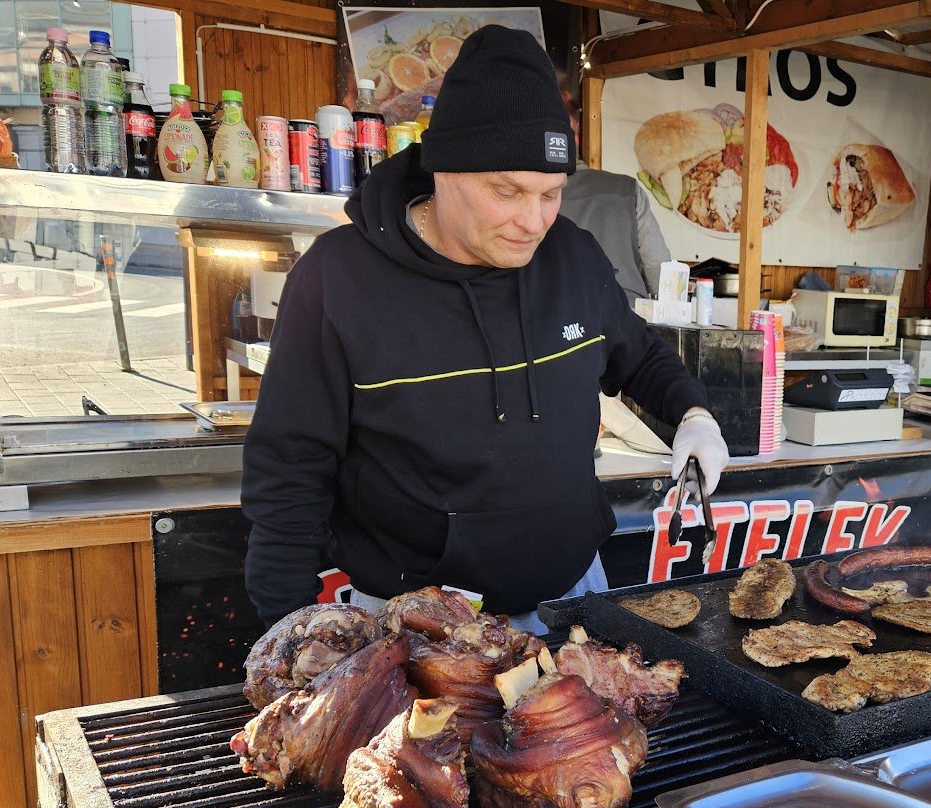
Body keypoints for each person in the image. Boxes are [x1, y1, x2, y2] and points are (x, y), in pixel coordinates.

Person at [241, 25, 728, 630]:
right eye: (508, 191)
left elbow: (639, 353)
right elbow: (290, 466)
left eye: (551, 194)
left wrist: (694, 413)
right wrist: (285, 627)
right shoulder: (337, 278)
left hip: (574, 597)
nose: (534, 221)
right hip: (417, 625)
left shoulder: (572, 255)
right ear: (443, 170)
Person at [556, 78, 671, 304]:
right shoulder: (627, 190)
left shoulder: (532, 195)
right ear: (577, 131)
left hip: (560, 317)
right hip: (627, 314)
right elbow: (660, 273)